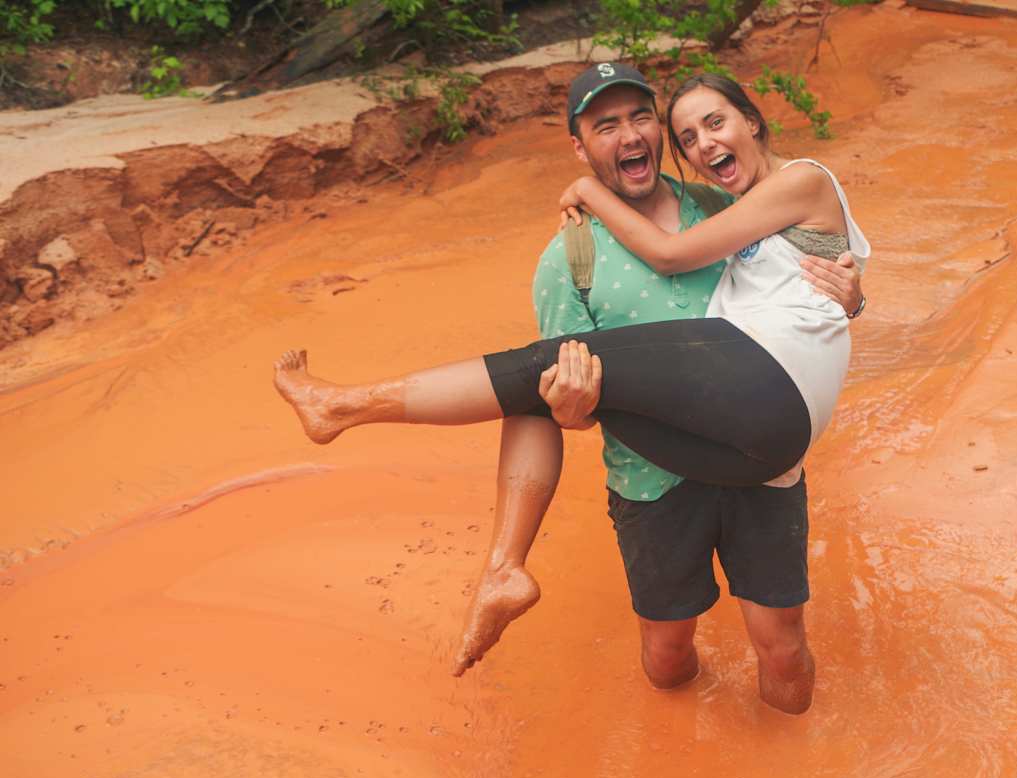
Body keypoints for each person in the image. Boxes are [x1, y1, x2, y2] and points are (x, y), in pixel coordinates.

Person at [273, 67, 868, 713]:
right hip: (654, 478)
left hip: (759, 457)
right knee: (666, 659)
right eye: (605, 126)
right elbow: (563, 411)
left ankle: (344, 405)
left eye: (642, 117)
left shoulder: (726, 203)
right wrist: (571, 406)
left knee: (781, 646)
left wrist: (854, 296)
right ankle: (510, 574)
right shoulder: (570, 256)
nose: (633, 135)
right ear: (581, 146)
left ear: (746, 121)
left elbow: (800, 282)